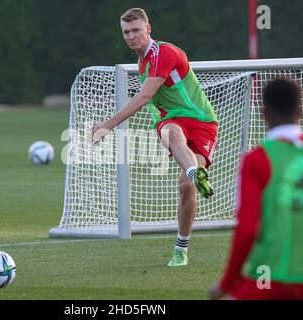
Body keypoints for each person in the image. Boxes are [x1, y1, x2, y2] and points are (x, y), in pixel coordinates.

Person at [89, 8, 218, 267]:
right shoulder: (143, 62)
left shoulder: (163, 53)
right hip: (171, 120)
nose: (131, 36)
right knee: (172, 135)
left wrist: (107, 125)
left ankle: (182, 240)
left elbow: (144, 97)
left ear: (149, 29)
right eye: (126, 32)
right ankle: (194, 175)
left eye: (136, 30)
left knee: (185, 187)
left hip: (203, 122)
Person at [209, 78, 303, 300]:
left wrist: (226, 283)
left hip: (270, 278)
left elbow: (248, 229)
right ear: (301, 111)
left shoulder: (257, 160)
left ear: (264, 114)